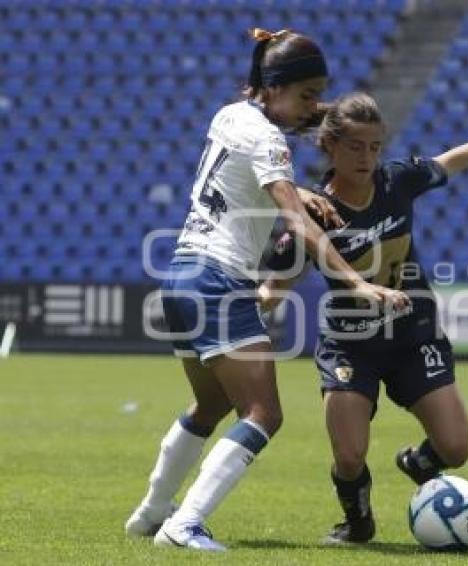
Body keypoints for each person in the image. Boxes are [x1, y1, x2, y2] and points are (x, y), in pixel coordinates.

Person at [124, 30, 409, 552]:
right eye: (305, 94)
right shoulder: (269, 139)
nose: (311, 106)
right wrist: (355, 279)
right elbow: (298, 224)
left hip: (180, 274)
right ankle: (184, 524)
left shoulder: (230, 114)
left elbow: (243, 174)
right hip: (218, 280)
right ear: (273, 87)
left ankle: (151, 510)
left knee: (208, 406)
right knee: (263, 414)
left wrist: (298, 181)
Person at [259, 92, 468, 543]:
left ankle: (418, 463)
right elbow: (274, 289)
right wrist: (236, 307)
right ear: (330, 147)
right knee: (350, 455)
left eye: (375, 146)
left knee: (456, 448)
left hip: (413, 336)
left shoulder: (398, 180)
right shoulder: (312, 216)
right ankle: (357, 522)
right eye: (356, 146)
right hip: (350, 344)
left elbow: (447, 162)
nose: (367, 157)